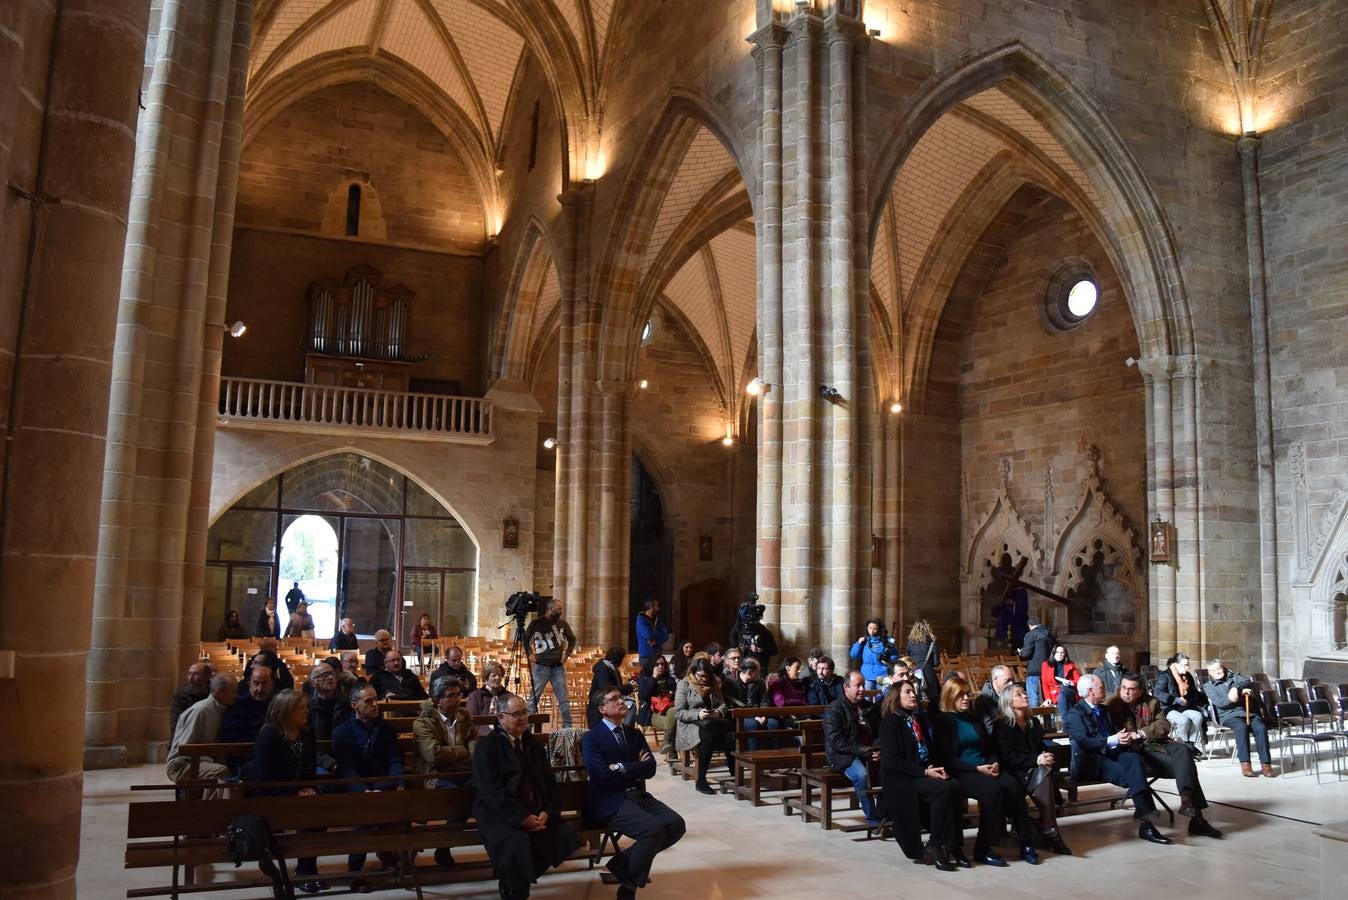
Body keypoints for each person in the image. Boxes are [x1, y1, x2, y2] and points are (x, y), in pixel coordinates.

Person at [472, 693, 579, 899]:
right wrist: (522, 818)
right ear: (501, 717)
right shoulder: (487, 747)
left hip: (535, 811)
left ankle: (514, 883)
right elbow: (491, 791)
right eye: (516, 714)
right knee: (516, 847)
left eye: (524, 713)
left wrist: (546, 810)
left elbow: (548, 782)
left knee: (564, 836)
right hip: (500, 814)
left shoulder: (532, 744)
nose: (522, 718)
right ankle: (515, 888)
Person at [583, 687, 687, 899]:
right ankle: (629, 888)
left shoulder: (634, 734)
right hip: (609, 800)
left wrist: (620, 767)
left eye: (621, 697)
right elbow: (601, 776)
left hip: (637, 795)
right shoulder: (592, 738)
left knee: (676, 825)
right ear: (602, 709)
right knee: (653, 829)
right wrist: (632, 767)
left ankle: (621, 865)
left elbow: (650, 769)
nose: (622, 701)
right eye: (614, 699)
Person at [1106, 673, 1223, 838]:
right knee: (1186, 766)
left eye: (1131, 689)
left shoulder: (1151, 702)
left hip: (1154, 744)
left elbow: (1163, 725)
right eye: (1124, 688)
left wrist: (1141, 733)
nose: (1126, 692)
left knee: (1184, 751)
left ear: (1140, 691)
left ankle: (1186, 800)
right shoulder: (1112, 704)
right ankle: (1197, 819)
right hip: (1135, 752)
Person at [1064, 673, 1173, 844]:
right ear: (1091, 692)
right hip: (1092, 761)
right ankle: (1147, 822)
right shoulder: (1075, 714)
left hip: (1112, 753)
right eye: (1101, 688)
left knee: (1134, 759)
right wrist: (1112, 739)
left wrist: (1123, 737)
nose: (1105, 691)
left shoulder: (1105, 710)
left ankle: (1145, 819)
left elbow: (1116, 732)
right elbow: (1085, 742)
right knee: (1133, 775)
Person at [932, 676, 1022, 865]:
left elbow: (990, 748)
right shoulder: (944, 721)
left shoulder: (974, 718)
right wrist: (976, 768)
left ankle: (1025, 839)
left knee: (1012, 784)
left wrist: (994, 762)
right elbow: (946, 758)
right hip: (962, 771)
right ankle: (983, 848)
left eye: (967, 694)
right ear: (949, 697)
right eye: (960, 695)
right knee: (992, 790)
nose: (965, 698)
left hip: (984, 767)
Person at [878, 679, 962, 871]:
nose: (913, 695)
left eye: (914, 691)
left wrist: (935, 768)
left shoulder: (917, 720)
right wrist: (924, 771)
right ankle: (935, 845)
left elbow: (927, 751)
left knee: (954, 785)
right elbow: (893, 761)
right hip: (901, 781)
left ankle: (953, 845)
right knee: (943, 789)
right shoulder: (890, 723)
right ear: (895, 698)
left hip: (921, 774)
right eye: (907, 692)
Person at [244, 687, 322, 891]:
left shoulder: (307, 733)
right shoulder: (269, 735)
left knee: (315, 813)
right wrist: (294, 793)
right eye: (300, 708)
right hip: (272, 795)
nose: (306, 712)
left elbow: (310, 768)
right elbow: (265, 778)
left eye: (306, 707)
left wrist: (309, 788)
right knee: (306, 813)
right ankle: (296, 869)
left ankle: (307, 870)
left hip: (299, 795)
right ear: (286, 711)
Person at [332, 684, 405, 882]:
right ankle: (356, 868)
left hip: (383, 784)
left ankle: (390, 856)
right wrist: (364, 791)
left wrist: (398, 782)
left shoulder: (386, 728)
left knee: (397, 804)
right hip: (356, 788)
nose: (375, 705)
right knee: (365, 814)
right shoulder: (342, 732)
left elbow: (394, 759)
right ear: (354, 705)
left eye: (376, 700)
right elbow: (347, 769)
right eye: (368, 701)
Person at [994, 682, 1072, 856]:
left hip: (1035, 769)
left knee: (1045, 774)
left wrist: (1045, 756)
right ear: (1008, 702)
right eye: (1018, 694)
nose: (1025, 696)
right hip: (1014, 771)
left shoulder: (1032, 722)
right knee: (1045, 775)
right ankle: (1051, 833)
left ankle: (1049, 830)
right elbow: (1007, 757)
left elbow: (1039, 746)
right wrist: (1036, 759)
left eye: (1024, 693)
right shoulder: (1002, 725)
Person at [415, 676, 474, 866]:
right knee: (460, 795)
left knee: (486, 790)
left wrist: (454, 756)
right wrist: (460, 752)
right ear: (435, 700)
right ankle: (443, 846)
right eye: (450, 696)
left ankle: (497, 846)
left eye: (459, 695)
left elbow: (475, 751)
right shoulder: (423, 723)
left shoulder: (465, 718)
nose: (457, 699)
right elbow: (434, 756)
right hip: (435, 776)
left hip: (462, 773)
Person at [823, 671, 883, 828]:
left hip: (867, 752)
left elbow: (879, 732)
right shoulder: (834, 709)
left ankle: (888, 812)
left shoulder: (867, 708)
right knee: (861, 775)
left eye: (863, 685)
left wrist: (877, 749)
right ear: (846, 687)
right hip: (843, 756)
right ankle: (872, 819)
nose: (862, 689)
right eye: (858, 686)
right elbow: (837, 742)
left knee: (892, 768)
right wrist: (864, 752)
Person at [1203, 659, 1277, 777]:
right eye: (1214, 670)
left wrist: (1235, 689)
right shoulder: (1208, 686)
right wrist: (1237, 695)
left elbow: (1248, 682)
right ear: (1210, 672)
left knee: (1260, 727)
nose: (1218, 671)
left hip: (1247, 712)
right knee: (1241, 727)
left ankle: (1266, 764)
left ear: (1223, 667)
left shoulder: (1234, 677)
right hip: (1228, 715)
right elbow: (1221, 703)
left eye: (1219, 668)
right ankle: (1245, 764)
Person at [674, 658, 734, 794]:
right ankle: (701, 780)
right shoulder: (684, 684)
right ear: (694, 673)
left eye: (707, 675)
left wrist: (718, 712)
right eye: (701, 676)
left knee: (731, 734)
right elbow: (678, 712)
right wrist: (698, 715)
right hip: (691, 724)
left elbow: (722, 704)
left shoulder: (713, 683)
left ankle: (734, 774)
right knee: (707, 735)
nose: (704, 679)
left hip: (712, 722)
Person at [166, 673, 238, 785]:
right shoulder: (200, 711)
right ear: (220, 691)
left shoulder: (222, 709)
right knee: (221, 771)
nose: (236, 695)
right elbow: (185, 749)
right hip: (182, 764)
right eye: (233, 691)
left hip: (202, 761)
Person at [524, 597, 577, 728]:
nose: (561, 612)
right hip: (541, 667)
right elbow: (524, 639)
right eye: (558, 609)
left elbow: (572, 639)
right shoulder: (536, 623)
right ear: (550, 609)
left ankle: (567, 727)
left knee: (563, 699)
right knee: (533, 699)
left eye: (561, 609)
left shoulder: (563, 624)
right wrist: (530, 653)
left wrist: (567, 653)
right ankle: (528, 728)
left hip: (558, 667)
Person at [1153, 653, 1207, 754]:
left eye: (1187, 665)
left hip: (1183, 707)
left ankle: (1191, 745)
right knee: (1183, 720)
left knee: (1198, 716)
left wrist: (1200, 702)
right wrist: (1176, 700)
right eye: (1184, 665)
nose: (1186, 667)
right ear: (1175, 664)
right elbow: (1158, 692)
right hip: (1167, 707)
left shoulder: (1188, 676)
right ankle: (1182, 747)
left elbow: (1193, 693)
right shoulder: (1165, 675)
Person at [220, 665, 275, 745]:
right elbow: (232, 739)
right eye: (256, 683)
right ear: (249, 684)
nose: (259, 689)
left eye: (264, 684)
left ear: (272, 684)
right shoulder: (237, 707)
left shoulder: (277, 705)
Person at [586, 645, 636, 728]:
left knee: (631, 704)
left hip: (612, 700)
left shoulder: (612, 668)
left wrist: (629, 686)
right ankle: (625, 730)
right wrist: (629, 687)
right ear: (618, 658)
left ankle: (625, 730)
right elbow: (608, 691)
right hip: (601, 704)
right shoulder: (603, 670)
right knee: (630, 706)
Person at [637, 656, 678, 751]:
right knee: (675, 721)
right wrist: (654, 677)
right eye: (657, 664)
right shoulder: (644, 679)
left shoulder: (670, 679)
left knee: (673, 712)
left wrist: (671, 694)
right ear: (651, 665)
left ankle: (667, 742)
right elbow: (644, 696)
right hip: (651, 713)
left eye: (662, 664)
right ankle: (671, 751)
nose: (660, 666)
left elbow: (676, 696)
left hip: (668, 710)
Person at [169, 662, 213, 737]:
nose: (190, 678)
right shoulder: (181, 694)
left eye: (196, 674)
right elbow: (175, 723)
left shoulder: (215, 692)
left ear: (207, 676)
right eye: (189, 673)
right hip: (185, 736)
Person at [851, 618, 898, 689]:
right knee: (866, 697)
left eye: (875, 628)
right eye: (870, 628)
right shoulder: (864, 641)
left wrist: (888, 656)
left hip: (882, 674)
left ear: (879, 629)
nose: (872, 631)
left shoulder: (886, 641)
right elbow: (854, 655)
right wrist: (858, 644)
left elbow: (894, 657)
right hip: (867, 675)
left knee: (883, 697)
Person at [467, 662, 510, 737]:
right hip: (482, 736)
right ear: (486, 678)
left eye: (499, 675)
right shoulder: (475, 696)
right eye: (494, 675)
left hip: (504, 736)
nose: (497, 678)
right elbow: (470, 721)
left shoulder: (508, 696)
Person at [1017, 616, 1052, 707]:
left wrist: (1021, 652)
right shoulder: (1048, 634)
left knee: (1034, 699)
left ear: (1030, 626)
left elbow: (1026, 654)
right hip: (1047, 669)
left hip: (1034, 671)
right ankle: (1047, 720)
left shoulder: (1031, 634)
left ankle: (1034, 719)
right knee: (1046, 699)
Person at [1042, 643, 1082, 721]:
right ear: (1053, 653)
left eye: (1062, 652)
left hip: (1069, 690)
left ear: (1065, 654)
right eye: (1057, 652)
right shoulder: (1046, 665)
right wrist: (1047, 698)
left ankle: (1065, 722)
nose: (1060, 654)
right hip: (1055, 694)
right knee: (1063, 697)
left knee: (1063, 691)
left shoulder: (1070, 664)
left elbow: (1078, 680)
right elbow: (1045, 684)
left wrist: (1070, 682)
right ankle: (1069, 722)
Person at [905, 619, 940, 702]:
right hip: (928, 674)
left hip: (914, 674)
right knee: (931, 700)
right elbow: (936, 663)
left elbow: (908, 660)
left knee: (915, 698)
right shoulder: (932, 644)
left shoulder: (910, 644)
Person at [973, 664, 1013, 731]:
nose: (1011, 683)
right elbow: (988, 728)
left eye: (1011, 680)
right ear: (995, 679)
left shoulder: (1011, 692)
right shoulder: (983, 700)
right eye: (1007, 680)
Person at [634, 598, 669, 670]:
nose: (658, 608)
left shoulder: (658, 620)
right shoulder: (641, 620)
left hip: (657, 654)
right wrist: (659, 633)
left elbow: (666, 636)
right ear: (651, 607)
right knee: (648, 677)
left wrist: (656, 641)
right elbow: (648, 635)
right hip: (646, 655)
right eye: (657, 606)